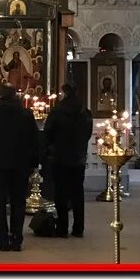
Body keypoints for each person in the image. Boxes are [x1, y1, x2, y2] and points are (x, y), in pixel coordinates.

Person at [0, 84, 40, 252]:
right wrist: (34, 163)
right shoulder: (26, 114)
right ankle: (16, 239)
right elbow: (34, 140)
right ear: (15, 96)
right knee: (18, 202)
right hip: (21, 164)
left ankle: (1, 239)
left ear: (0, 95)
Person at [43, 83, 93, 238]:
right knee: (78, 192)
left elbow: (48, 133)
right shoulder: (85, 112)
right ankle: (78, 228)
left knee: (61, 193)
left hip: (60, 157)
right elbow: (88, 133)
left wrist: (53, 147)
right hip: (78, 158)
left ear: (64, 93)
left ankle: (62, 228)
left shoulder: (57, 111)